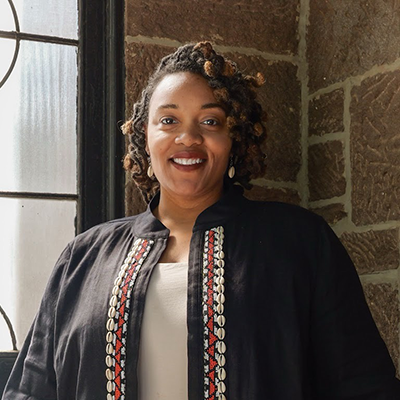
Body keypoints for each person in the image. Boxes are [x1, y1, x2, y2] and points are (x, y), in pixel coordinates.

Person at [2, 41, 400, 400]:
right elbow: (31, 390)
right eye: (169, 120)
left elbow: (364, 385)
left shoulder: (300, 243)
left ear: (235, 139)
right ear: (145, 135)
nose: (188, 137)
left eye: (210, 122)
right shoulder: (83, 258)